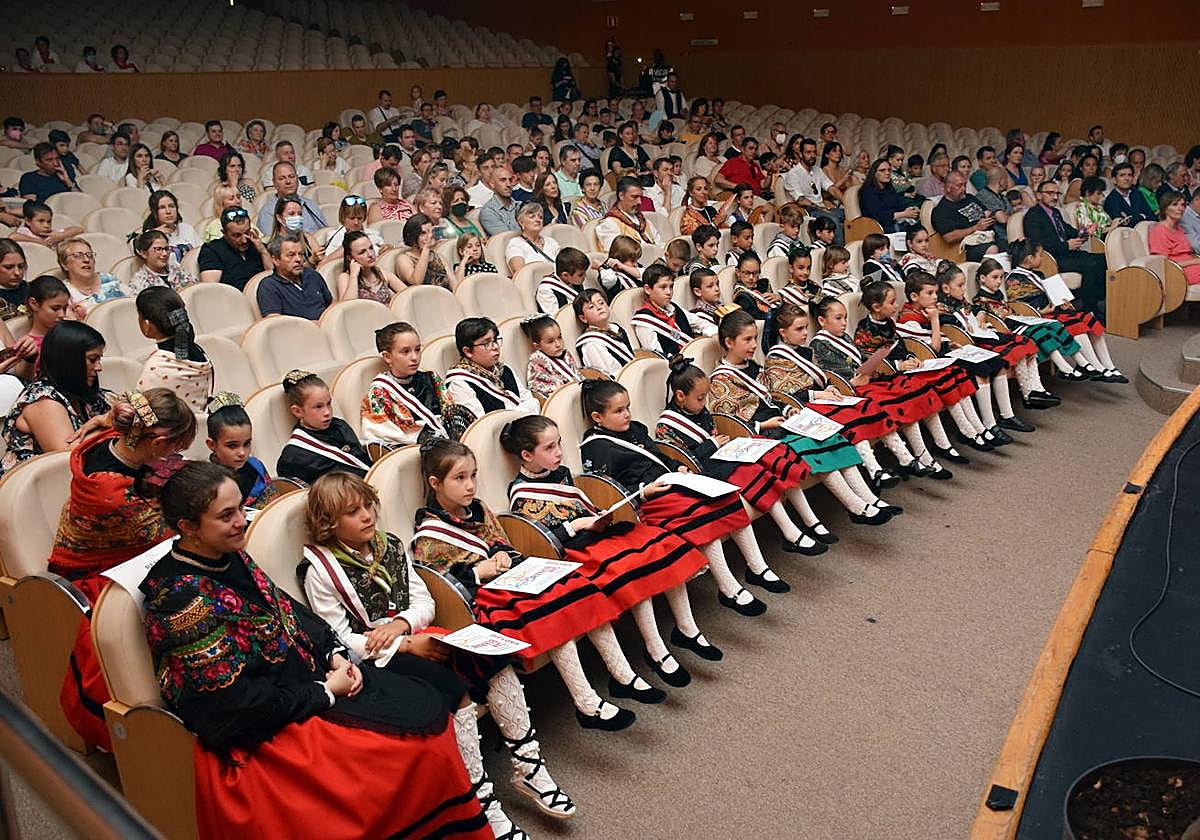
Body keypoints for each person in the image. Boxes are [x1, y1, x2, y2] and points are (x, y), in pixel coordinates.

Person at [141, 461, 491, 840]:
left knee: (427, 702)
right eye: (226, 515)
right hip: (264, 720)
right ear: (187, 527)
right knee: (407, 742)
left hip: (305, 681)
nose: (242, 521)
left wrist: (333, 653)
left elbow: (292, 614)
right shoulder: (180, 600)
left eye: (241, 507)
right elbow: (229, 705)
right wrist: (326, 691)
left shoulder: (228, 553)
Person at [302, 472, 566, 836]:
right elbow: (340, 639)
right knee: (453, 688)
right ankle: (481, 798)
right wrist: (403, 645)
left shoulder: (389, 545)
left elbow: (423, 600)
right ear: (328, 523)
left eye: (367, 505)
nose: (366, 516)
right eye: (352, 512)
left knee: (496, 664)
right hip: (378, 659)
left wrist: (403, 627)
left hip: (410, 635)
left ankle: (529, 767)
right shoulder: (320, 570)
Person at [50, 389, 195, 749]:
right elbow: (169, 536)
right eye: (175, 448)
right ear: (159, 442)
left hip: (125, 553)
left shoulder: (119, 439)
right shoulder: (112, 493)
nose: (176, 456)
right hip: (93, 575)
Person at [579, 378, 775, 615]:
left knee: (726, 498)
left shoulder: (637, 428)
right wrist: (643, 491)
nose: (627, 415)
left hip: (672, 482)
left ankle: (757, 567)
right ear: (597, 417)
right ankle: (728, 588)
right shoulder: (595, 447)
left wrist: (678, 466)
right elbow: (607, 491)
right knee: (700, 515)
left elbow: (660, 456)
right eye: (619, 411)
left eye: (628, 407)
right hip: (647, 500)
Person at [698, 318, 894, 530]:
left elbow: (773, 398)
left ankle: (868, 497)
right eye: (747, 340)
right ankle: (856, 507)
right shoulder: (720, 380)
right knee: (812, 448)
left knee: (830, 436)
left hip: (782, 422)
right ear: (728, 342)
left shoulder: (753, 366)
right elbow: (728, 421)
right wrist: (763, 425)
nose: (755, 345)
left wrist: (787, 409)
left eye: (755, 338)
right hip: (760, 434)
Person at [1005, 239, 1125, 382]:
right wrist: (1042, 311)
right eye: (1040, 255)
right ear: (1030, 259)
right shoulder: (1014, 279)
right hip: (1039, 316)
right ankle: (1097, 366)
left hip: (1053, 310)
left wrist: (1061, 302)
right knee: (1074, 322)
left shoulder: (1038, 274)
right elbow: (1020, 305)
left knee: (1087, 318)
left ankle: (1108, 365)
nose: (1042, 258)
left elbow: (1049, 294)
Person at [0, 320, 107, 473]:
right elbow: (69, 458)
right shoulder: (43, 400)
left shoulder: (81, 391)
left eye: (99, 359)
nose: (99, 367)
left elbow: (133, 410)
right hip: (33, 489)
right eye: (92, 359)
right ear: (69, 360)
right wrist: (113, 424)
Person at [972, 257, 1086, 397]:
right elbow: (983, 315)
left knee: (1053, 325)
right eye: (995, 277)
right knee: (1041, 331)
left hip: (1017, 319)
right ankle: (1065, 368)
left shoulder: (997, 294)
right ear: (982, 278)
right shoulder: (980, 300)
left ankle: (1080, 363)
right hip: (1008, 328)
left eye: (1001, 277)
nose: (999, 281)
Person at [1022, 181, 1108, 315]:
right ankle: (1088, 308)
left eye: (1057, 193)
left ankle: (1098, 301)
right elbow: (1038, 245)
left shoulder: (1055, 212)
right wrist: (1066, 245)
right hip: (1052, 258)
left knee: (1103, 258)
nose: (1055, 197)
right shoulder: (1033, 216)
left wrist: (1084, 232)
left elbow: (1069, 231)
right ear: (1039, 195)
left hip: (1067, 253)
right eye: (1050, 193)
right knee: (1091, 264)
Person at [276, 369, 372, 482]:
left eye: (329, 404)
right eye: (318, 407)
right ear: (298, 411)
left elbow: (363, 461)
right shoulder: (293, 457)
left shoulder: (340, 426)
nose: (327, 412)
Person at [445, 318, 539, 423]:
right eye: (486, 343)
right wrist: (522, 412)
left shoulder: (504, 369)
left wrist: (519, 413)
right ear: (468, 352)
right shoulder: (459, 383)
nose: (495, 347)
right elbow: (482, 425)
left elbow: (530, 401)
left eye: (495, 340)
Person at [135, 288, 212, 414]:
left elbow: (146, 416)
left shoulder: (156, 367)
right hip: (204, 421)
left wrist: (130, 398)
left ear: (147, 325)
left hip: (178, 430)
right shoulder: (198, 350)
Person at [202, 393, 278, 510]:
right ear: (211, 444)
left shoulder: (256, 467)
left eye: (247, 444)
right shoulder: (204, 480)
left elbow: (273, 507)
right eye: (232, 446)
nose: (242, 453)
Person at [781, 138, 843, 243]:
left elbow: (831, 189)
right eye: (808, 152)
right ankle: (838, 253)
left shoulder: (817, 170)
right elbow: (801, 200)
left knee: (847, 215)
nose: (812, 155)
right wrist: (820, 208)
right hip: (808, 210)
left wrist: (845, 201)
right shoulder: (793, 174)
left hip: (822, 207)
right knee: (833, 220)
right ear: (801, 154)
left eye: (814, 152)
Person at [931, 172, 1001, 262]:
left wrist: (991, 217)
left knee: (1014, 247)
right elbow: (949, 237)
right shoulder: (941, 211)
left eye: (965, 185)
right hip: (968, 247)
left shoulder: (970, 198)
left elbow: (987, 213)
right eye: (959, 186)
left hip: (990, 236)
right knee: (993, 249)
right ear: (948, 188)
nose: (964, 189)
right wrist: (976, 228)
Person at [257, 235, 331, 320]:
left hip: (327, 327)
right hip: (299, 331)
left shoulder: (312, 275)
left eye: (300, 254)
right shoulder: (269, 286)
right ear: (276, 260)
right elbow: (275, 322)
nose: (298, 259)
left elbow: (331, 303)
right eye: (291, 255)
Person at [197, 207, 270, 291]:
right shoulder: (212, 251)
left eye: (247, 232)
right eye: (237, 235)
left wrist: (263, 251)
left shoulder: (258, 246)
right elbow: (211, 289)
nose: (244, 240)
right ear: (224, 233)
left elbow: (275, 280)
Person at [57, 237, 124, 314]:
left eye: (89, 255)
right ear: (64, 264)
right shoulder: (63, 292)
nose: (86, 260)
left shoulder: (109, 279)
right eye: (78, 255)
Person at [256, 163, 327, 234]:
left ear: (297, 179)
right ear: (274, 183)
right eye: (282, 178)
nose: (288, 181)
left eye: (291, 176)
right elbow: (270, 243)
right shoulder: (267, 212)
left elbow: (325, 233)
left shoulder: (310, 204)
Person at [596, 177, 664, 251]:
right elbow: (618, 255)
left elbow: (660, 246)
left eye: (640, 197)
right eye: (634, 197)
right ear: (621, 195)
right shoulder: (609, 224)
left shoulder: (643, 220)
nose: (639, 202)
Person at [1148, 191, 1200, 286]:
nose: (1180, 208)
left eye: (1183, 205)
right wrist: (1194, 261)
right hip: (1178, 272)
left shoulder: (1179, 228)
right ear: (1165, 208)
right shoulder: (1159, 230)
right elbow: (1163, 263)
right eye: (1175, 204)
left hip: (1192, 266)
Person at [335, 230, 402, 303]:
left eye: (371, 248)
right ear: (350, 258)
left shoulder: (382, 273)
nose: (370, 254)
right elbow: (347, 307)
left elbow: (408, 294)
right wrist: (354, 276)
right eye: (362, 252)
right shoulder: (345, 277)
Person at [127, 230, 195, 296]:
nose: (165, 254)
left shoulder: (176, 269)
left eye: (166, 249)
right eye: (158, 249)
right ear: (144, 253)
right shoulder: (139, 283)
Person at [394, 214, 453, 290]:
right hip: (421, 299)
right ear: (413, 236)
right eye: (423, 233)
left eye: (431, 232)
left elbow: (454, 285)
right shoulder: (403, 258)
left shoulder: (437, 256)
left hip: (445, 297)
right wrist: (426, 248)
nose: (430, 236)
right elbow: (416, 281)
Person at [143, 190, 200, 262]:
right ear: (155, 212)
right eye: (162, 207)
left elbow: (202, 252)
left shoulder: (187, 228)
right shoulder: (149, 235)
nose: (168, 211)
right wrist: (156, 233)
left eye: (171, 206)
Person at [506, 202, 561, 275]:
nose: (538, 220)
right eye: (532, 217)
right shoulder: (515, 244)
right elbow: (521, 275)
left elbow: (565, 266)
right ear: (521, 222)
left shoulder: (551, 241)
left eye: (540, 217)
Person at [11, 201, 83, 248]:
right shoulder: (25, 232)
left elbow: (79, 229)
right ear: (28, 221)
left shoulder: (52, 234)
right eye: (41, 221)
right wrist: (40, 242)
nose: (46, 225)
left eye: (49, 221)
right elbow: (13, 237)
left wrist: (61, 235)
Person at [479, 166, 519, 236]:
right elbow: (507, 238)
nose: (508, 184)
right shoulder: (488, 211)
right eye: (503, 180)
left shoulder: (520, 205)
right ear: (492, 184)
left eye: (510, 180)